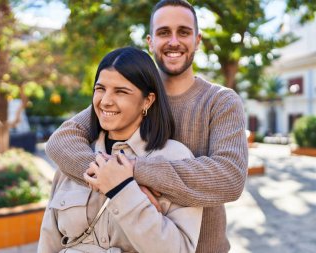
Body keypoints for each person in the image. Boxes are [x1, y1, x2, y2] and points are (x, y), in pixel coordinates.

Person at [45, 0, 248, 252]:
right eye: (164, 33)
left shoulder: (220, 101)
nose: (173, 41)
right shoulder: (129, 95)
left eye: (183, 32)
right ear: (150, 42)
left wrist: (131, 173)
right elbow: (62, 141)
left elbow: (229, 177)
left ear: (197, 40)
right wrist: (111, 180)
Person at [38, 47, 203, 253]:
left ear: (148, 100)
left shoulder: (175, 158)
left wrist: (123, 190)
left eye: (121, 91)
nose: (105, 100)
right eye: (100, 89)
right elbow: (49, 239)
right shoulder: (74, 156)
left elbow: (180, 250)